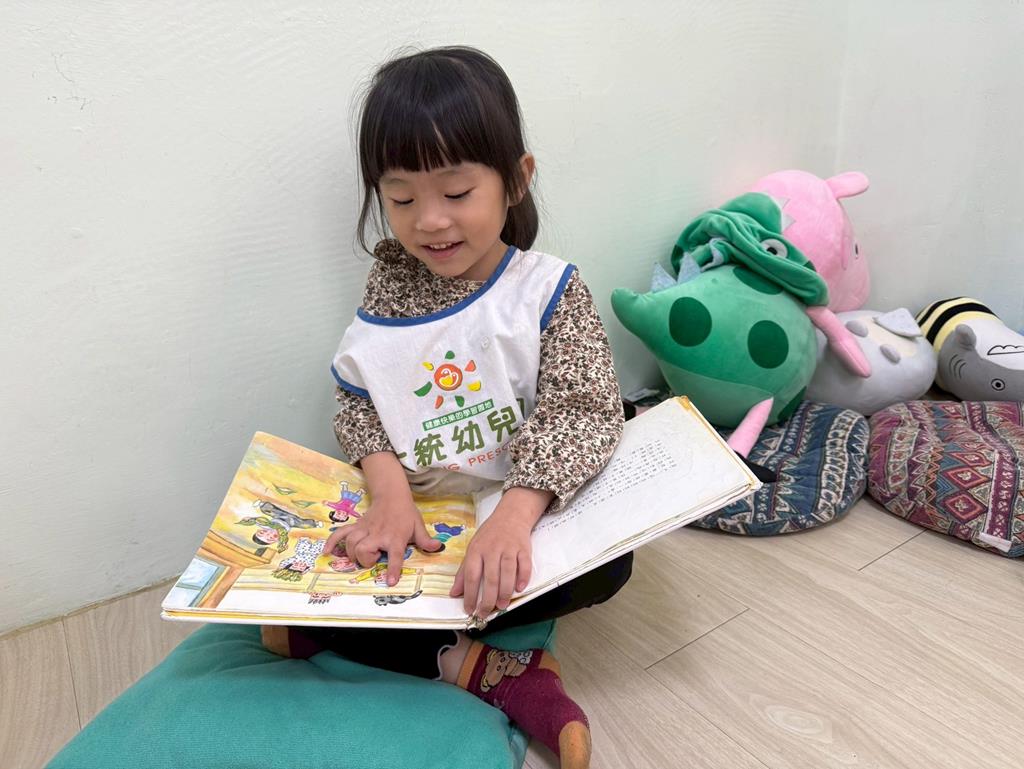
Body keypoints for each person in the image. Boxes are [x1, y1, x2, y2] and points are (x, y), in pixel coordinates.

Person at [261, 46, 627, 769]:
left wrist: (515, 516)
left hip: (516, 503)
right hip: (426, 518)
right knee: (345, 560)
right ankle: (481, 666)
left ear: (516, 180)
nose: (430, 221)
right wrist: (390, 499)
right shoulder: (392, 285)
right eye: (401, 199)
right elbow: (360, 400)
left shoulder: (547, 289)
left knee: (613, 567)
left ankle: (362, 637)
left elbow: (583, 410)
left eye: (457, 192)